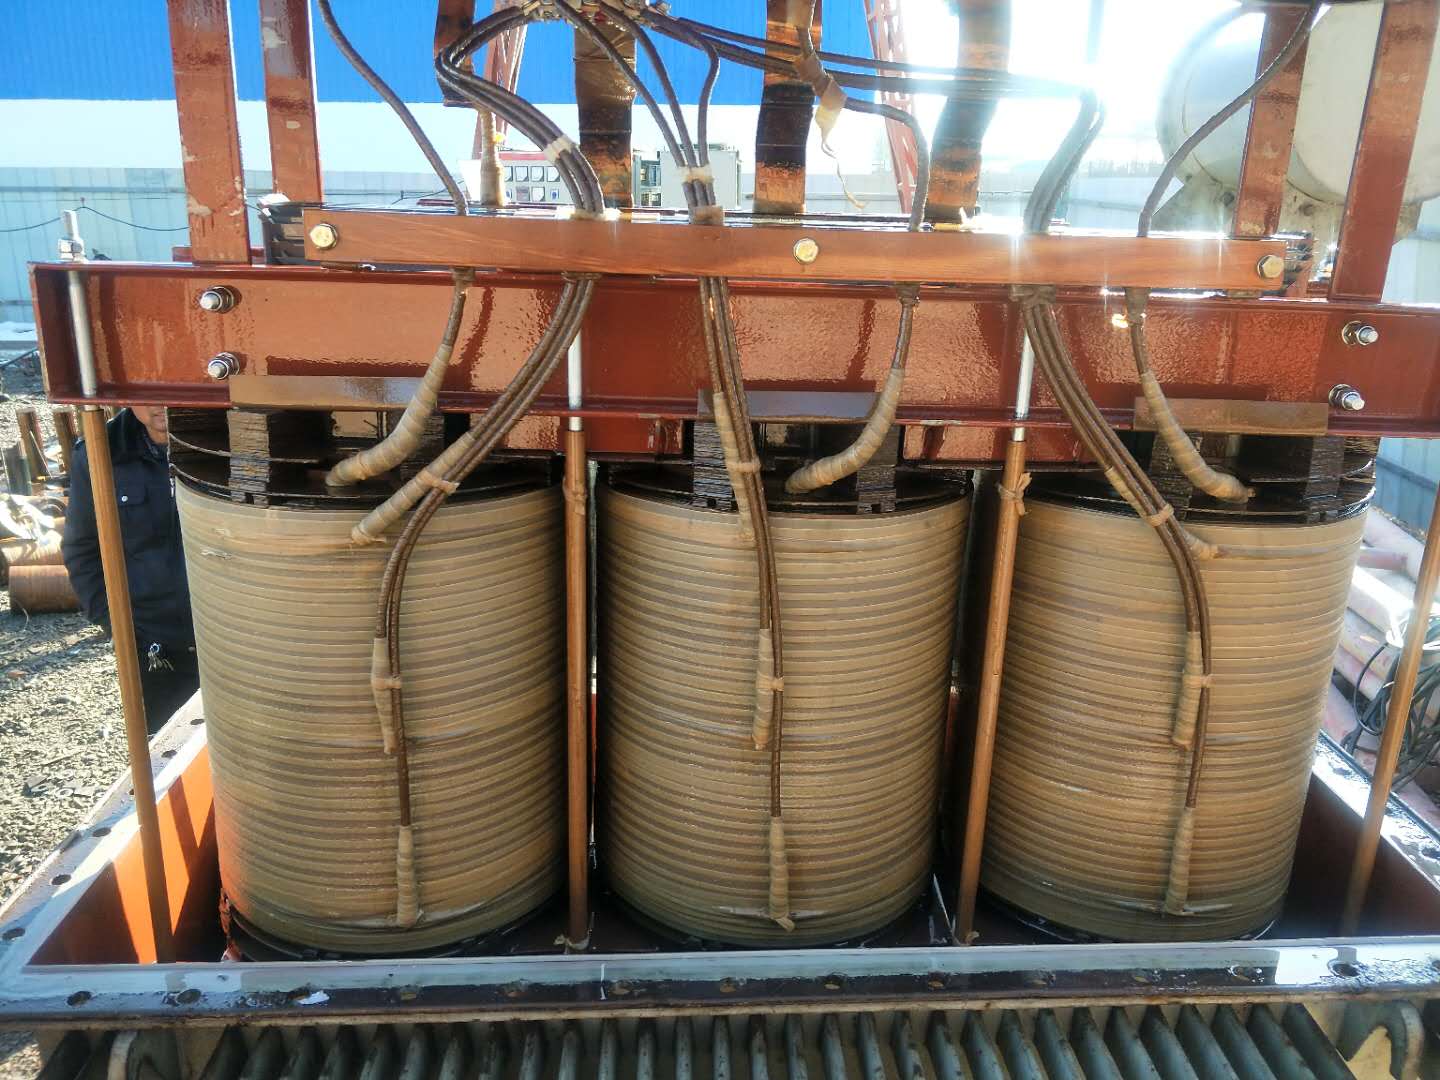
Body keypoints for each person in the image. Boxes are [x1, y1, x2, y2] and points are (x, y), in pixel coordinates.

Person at [62, 406, 198, 734]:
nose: (159, 401)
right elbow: (83, 549)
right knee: (166, 748)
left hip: (234, 639)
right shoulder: (100, 453)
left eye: (171, 387)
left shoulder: (229, 442)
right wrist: (116, 625)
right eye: (146, 389)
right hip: (156, 648)